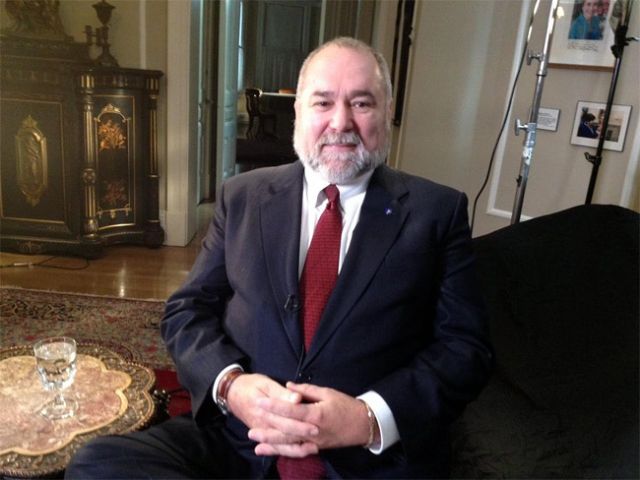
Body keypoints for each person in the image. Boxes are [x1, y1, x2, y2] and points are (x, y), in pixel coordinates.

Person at [65, 37, 493, 479]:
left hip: (364, 460)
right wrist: (231, 386)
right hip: (240, 443)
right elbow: (187, 310)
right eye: (323, 102)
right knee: (97, 465)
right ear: (299, 113)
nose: (340, 122)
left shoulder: (435, 212)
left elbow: (466, 348)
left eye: (362, 103)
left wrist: (367, 418)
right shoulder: (243, 196)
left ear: (387, 113)